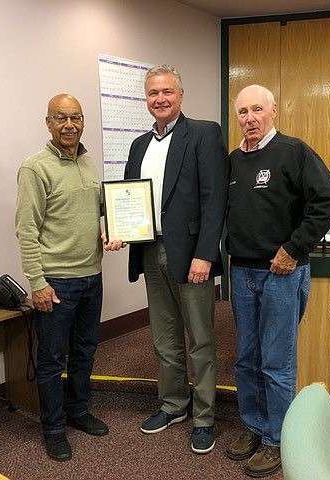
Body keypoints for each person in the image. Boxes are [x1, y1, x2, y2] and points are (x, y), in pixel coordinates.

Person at [224, 84, 330, 477]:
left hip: (282, 273)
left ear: (274, 110)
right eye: (243, 112)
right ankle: (255, 428)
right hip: (241, 272)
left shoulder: (294, 152)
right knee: (246, 359)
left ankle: (278, 438)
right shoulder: (234, 161)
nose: (250, 119)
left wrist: (293, 248)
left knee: (276, 363)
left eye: (257, 109)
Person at [109, 64, 228, 454]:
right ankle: (173, 404)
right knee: (164, 338)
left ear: (180, 94)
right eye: (152, 93)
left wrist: (205, 255)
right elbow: (127, 199)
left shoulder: (204, 134)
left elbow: (215, 201)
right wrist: (116, 229)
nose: (159, 99)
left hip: (192, 256)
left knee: (201, 339)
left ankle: (204, 415)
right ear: (146, 99)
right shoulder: (138, 145)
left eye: (166, 92)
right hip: (149, 250)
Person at [15, 94, 113, 462]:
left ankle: (78, 411)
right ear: (48, 122)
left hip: (92, 277)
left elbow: (100, 210)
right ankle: (54, 428)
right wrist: (37, 282)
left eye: (75, 117)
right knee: (53, 360)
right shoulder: (34, 168)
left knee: (85, 352)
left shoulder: (88, 162)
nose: (69, 124)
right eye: (61, 118)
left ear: (83, 121)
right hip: (56, 282)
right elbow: (27, 230)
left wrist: (111, 229)